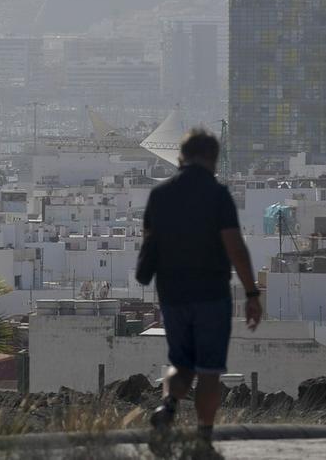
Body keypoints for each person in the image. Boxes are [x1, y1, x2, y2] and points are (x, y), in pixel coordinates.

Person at [137, 128, 262, 452]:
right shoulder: (217, 194)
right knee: (208, 371)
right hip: (210, 294)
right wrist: (251, 294)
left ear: (181, 156)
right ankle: (203, 440)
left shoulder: (159, 196)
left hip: (172, 294)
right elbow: (234, 246)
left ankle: (167, 407)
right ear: (213, 159)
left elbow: (149, 242)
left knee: (181, 364)